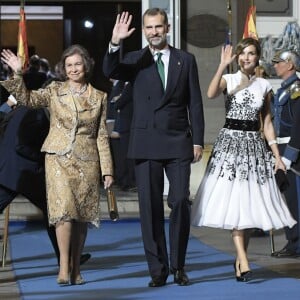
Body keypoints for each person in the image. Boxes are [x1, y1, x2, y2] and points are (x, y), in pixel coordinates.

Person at [103, 8, 204, 287]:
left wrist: (197, 140)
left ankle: (179, 266)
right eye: (149, 28)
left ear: (167, 28)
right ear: (145, 31)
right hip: (145, 142)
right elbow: (110, 70)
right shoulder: (136, 59)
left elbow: (194, 102)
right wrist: (115, 42)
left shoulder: (186, 60)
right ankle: (158, 271)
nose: (154, 32)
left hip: (178, 142)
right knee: (149, 210)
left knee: (181, 201)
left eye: (158, 27)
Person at [1, 44, 114, 285]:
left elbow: (101, 136)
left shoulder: (99, 97)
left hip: (87, 162)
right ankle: (64, 266)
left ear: (86, 66)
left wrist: (108, 170)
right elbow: (27, 98)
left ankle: (74, 269)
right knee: (61, 214)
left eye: (78, 64)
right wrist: (17, 74)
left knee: (81, 216)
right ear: (63, 68)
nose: (73, 69)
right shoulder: (53, 91)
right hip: (56, 161)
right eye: (69, 65)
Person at [191, 38, 296, 282]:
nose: (246, 57)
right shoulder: (230, 79)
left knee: (247, 208)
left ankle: (240, 258)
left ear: (257, 57)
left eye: (251, 54)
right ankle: (245, 261)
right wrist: (221, 66)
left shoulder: (263, 86)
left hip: (255, 149)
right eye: (243, 54)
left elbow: (267, 123)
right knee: (236, 205)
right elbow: (210, 92)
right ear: (237, 57)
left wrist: (277, 157)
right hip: (230, 148)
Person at [270, 49, 300, 258]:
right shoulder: (283, 90)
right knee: (286, 200)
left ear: (290, 65)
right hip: (279, 150)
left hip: (292, 153)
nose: (274, 65)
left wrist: (290, 155)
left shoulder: (296, 89)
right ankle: (292, 242)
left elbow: (298, 125)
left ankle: (297, 244)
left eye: (278, 62)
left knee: (295, 200)